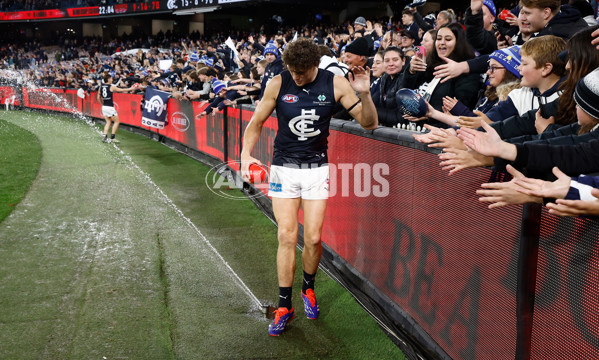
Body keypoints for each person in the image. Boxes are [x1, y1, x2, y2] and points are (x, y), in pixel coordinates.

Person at [239, 38, 377, 336]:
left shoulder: (336, 83)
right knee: (287, 235)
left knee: (313, 238)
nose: (297, 76)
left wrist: (365, 94)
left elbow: (369, 123)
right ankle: (284, 305)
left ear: (315, 65)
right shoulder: (278, 82)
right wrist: (245, 155)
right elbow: (256, 122)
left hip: (316, 169)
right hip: (284, 168)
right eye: (293, 70)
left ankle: (308, 288)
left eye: (302, 71)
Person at [97, 73, 137, 143]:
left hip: (104, 107)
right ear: (109, 79)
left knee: (108, 122)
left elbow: (98, 97)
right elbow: (120, 90)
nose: (112, 79)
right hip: (110, 107)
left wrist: (102, 104)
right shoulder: (111, 86)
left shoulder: (101, 86)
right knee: (117, 121)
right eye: (111, 78)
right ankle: (112, 138)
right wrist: (131, 88)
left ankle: (105, 136)